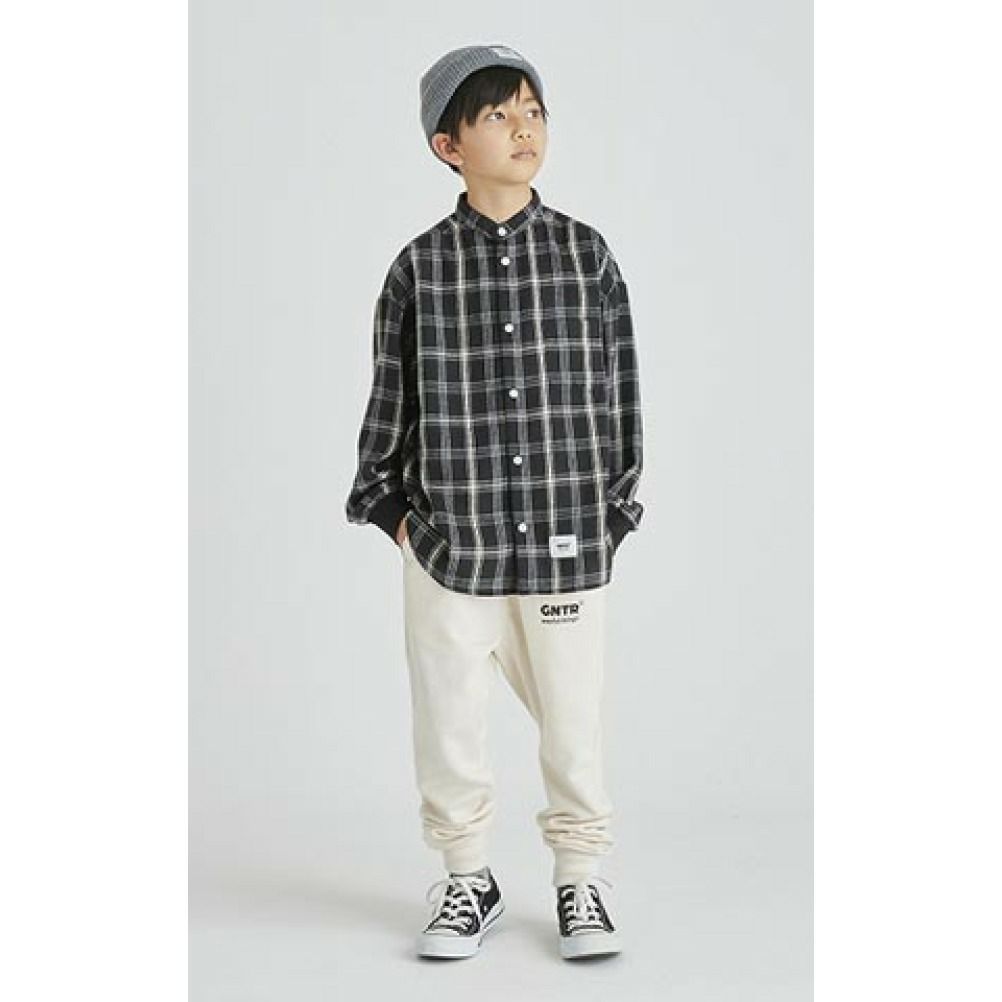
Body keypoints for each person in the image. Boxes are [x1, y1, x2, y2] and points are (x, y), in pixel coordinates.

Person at [345, 43, 644, 961]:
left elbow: (619, 395)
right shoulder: (419, 269)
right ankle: (467, 876)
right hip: (450, 544)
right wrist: (398, 518)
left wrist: (613, 513)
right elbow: (391, 401)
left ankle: (581, 880)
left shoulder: (586, 255)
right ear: (449, 145)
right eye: (499, 115)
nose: (524, 129)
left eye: (534, 111)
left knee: (574, 721)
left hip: (565, 540)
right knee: (449, 723)